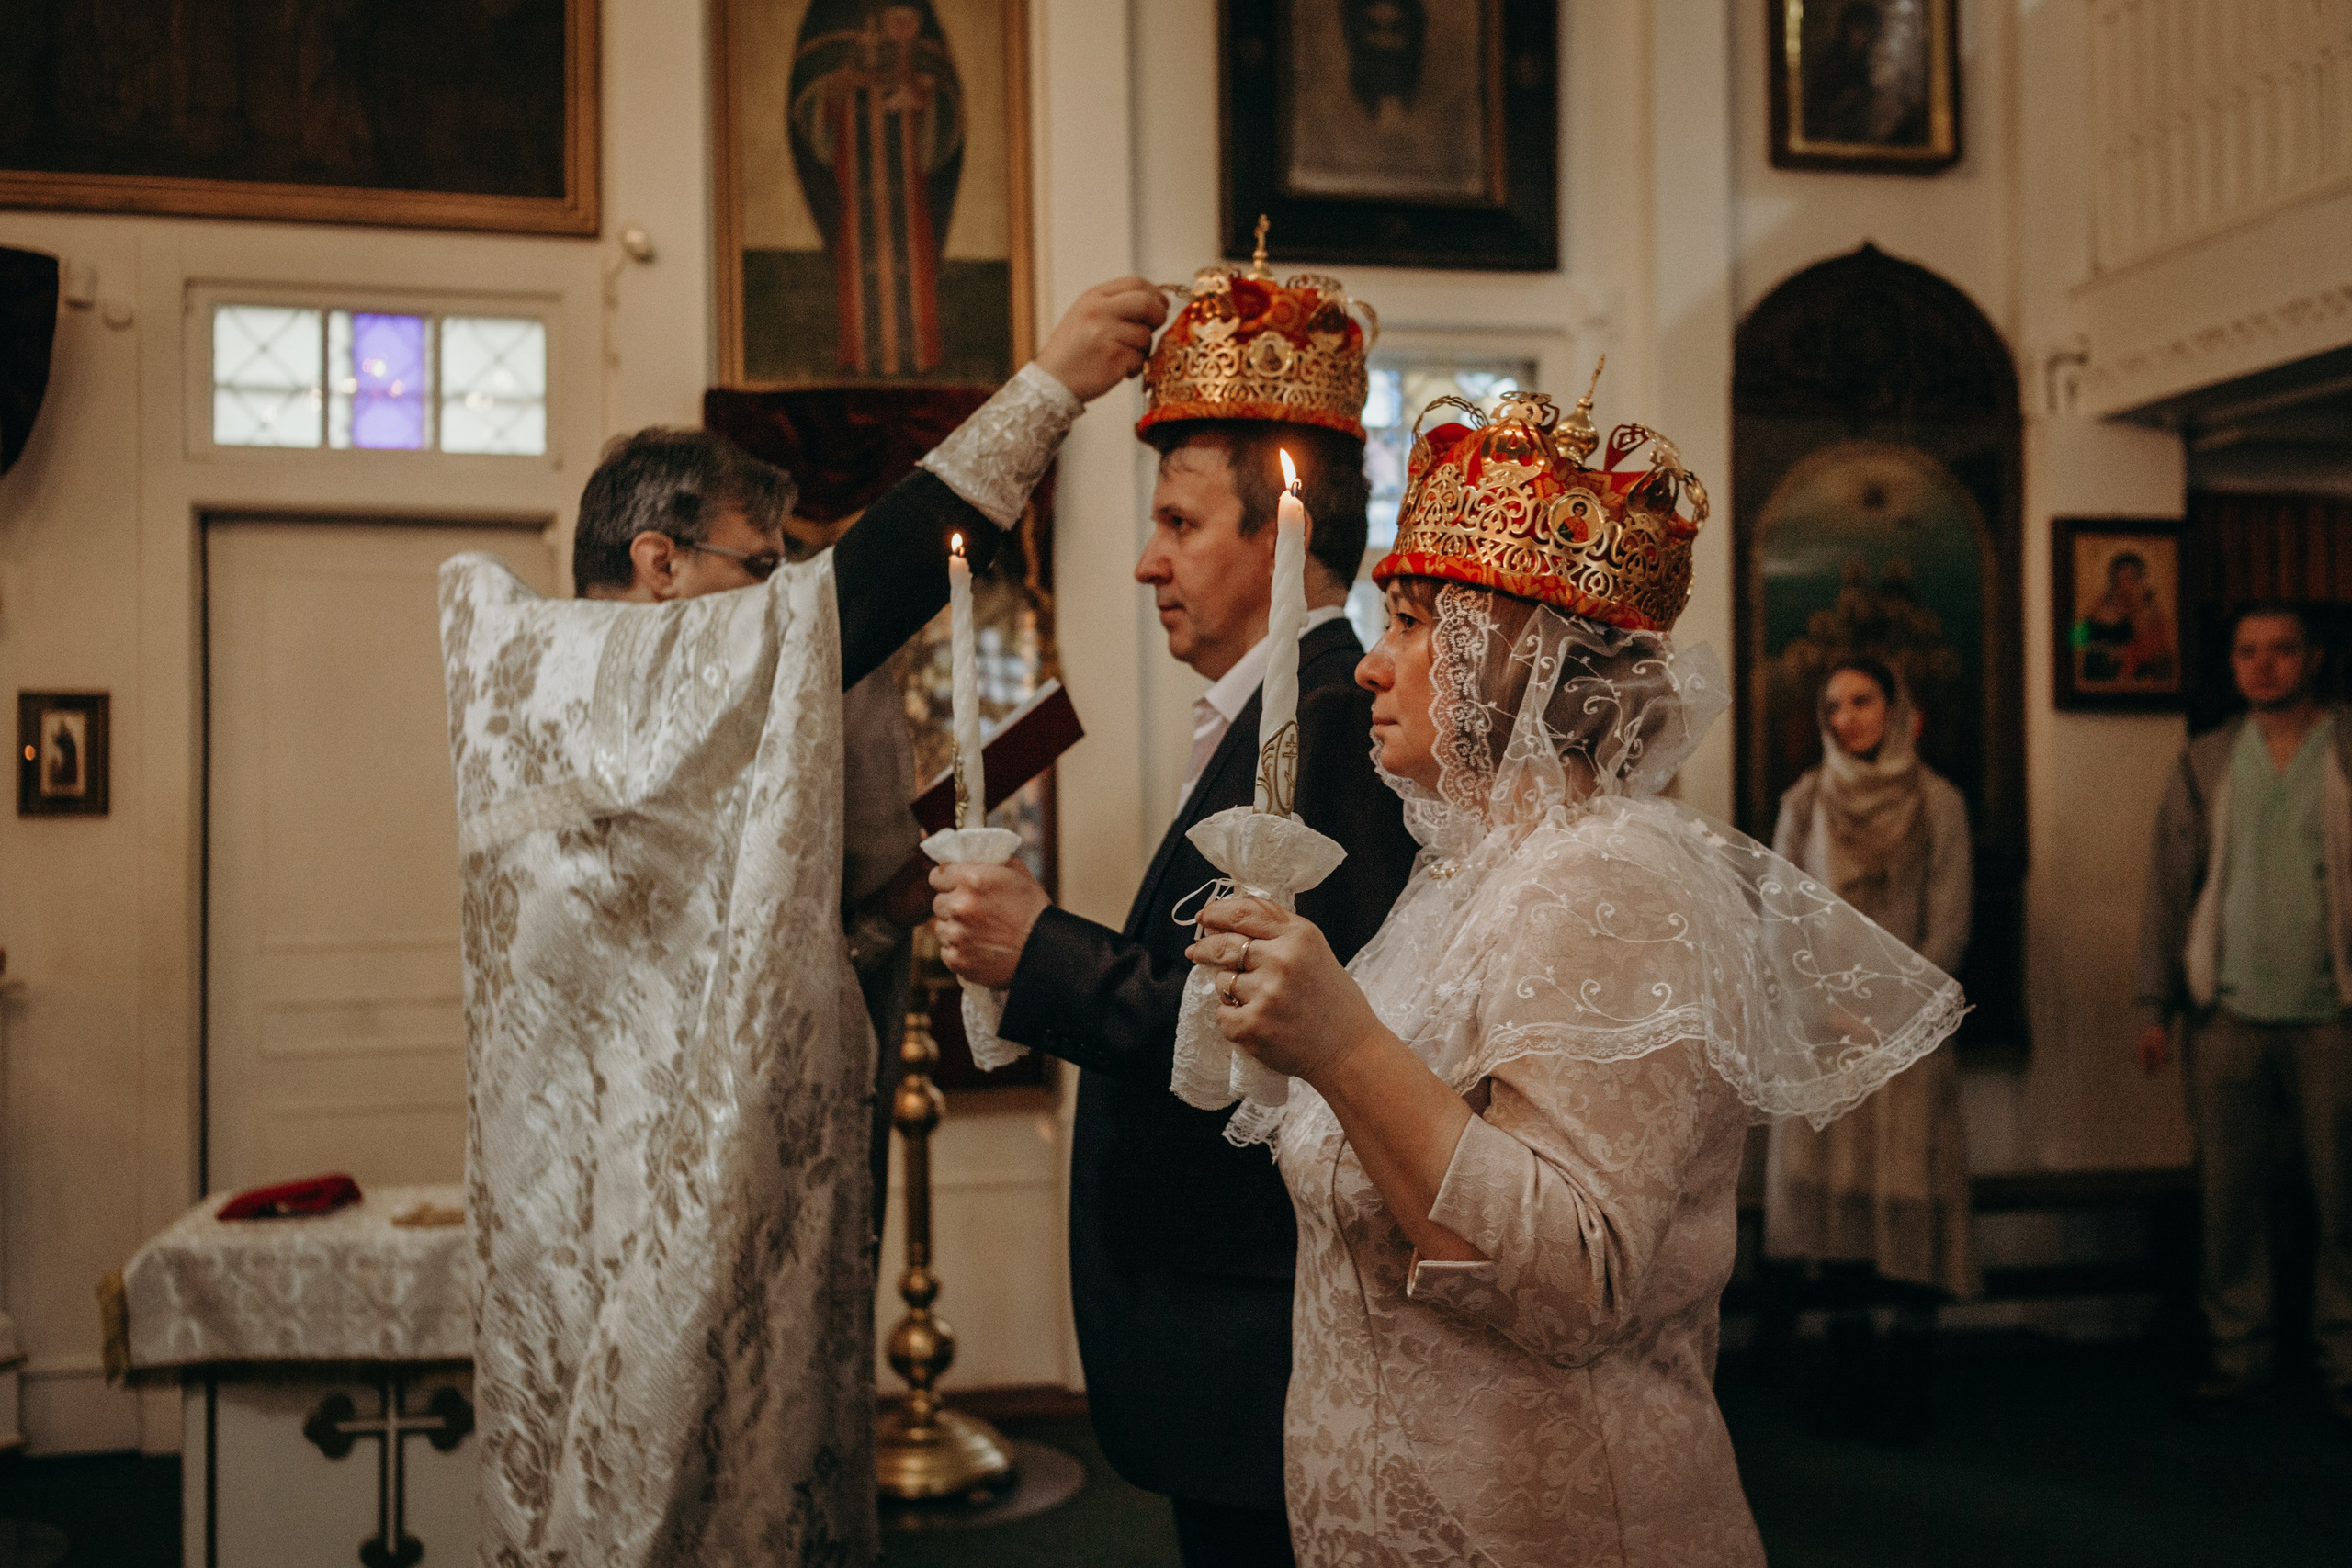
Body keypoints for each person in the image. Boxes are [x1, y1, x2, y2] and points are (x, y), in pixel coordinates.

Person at [439, 276, 1165, 1567]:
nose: (783, 597)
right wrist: (1051, 384)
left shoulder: (653, 717)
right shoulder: (585, 668)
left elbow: (748, 938)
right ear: (657, 565)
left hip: (701, 1174)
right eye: (759, 566)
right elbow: (864, 591)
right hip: (636, 1196)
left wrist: (881, 909)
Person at [1180, 386, 1964, 1566]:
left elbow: (1576, 1279)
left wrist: (1341, 1044)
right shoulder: (1465, 873)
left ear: (1509, 656)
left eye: (1406, 625)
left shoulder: (1612, 879)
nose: (1368, 670)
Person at [929, 246, 1418, 1566]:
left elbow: (1277, 1031)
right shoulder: (1268, 714)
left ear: (1287, 535)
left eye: (1181, 524)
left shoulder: (1332, 725)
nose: (1148, 562)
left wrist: (1044, 951)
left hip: (1256, 1315)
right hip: (1214, 1311)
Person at [2136, 604, 2352, 1430]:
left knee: (2345, 1200)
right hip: (2225, 1013)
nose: (2263, 666)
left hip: (2333, 1014)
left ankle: (2343, 1361)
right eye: (2247, 651)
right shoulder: (2209, 759)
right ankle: (2239, 1357)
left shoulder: (2344, 748)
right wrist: (2155, 1004)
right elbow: (2168, 886)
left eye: (2281, 650)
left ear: (2314, 656)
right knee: (2230, 1202)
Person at [1763, 655, 1977, 1438]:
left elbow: (1949, 923)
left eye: (1864, 700)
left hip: (1909, 1040)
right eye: (1835, 705)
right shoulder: (1805, 801)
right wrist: (1829, 1012)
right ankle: (1851, 1384)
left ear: (1897, 707)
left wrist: (1895, 1013)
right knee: (1837, 1210)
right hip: (1830, 1042)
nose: (1849, 716)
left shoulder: (1939, 802)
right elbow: (1781, 923)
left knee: (1911, 1202)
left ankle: (1908, 1388)